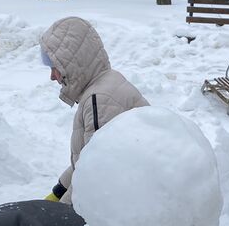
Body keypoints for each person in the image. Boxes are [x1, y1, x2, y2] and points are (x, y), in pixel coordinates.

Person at [41, 16, 148, 204]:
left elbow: (97, 174)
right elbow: (87, 159)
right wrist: (59, 191)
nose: (52, 76)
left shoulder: (100, 100)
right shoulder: (105, 84)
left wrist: (59, 213)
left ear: (72, 64)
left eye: (54, 67)